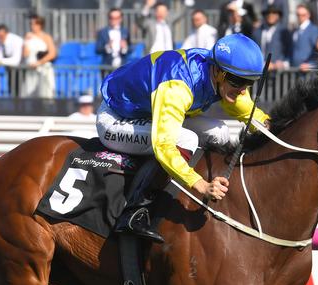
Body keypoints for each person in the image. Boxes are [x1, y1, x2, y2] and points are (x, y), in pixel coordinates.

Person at [97, 34, 270, 242]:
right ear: (217, 71)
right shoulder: (178, 86)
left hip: (151, 112)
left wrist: (275, 128)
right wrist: (201, 185)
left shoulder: (227, 77)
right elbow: (163, 145)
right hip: (116, 119)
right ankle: (135, 212)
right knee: (186, 139)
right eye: (238, 81)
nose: (243, 89)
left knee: (220, 132)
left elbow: (251, 115)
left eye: (249, 82)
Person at [21, 15, 57, 98]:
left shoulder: (46, 37)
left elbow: (52, 53)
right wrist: (26, 41)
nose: (32, 26)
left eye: (35, 24)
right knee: (28, 94)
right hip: (31, 70)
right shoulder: (28, 37)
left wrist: (39, 63)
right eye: (31, 24)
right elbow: (25, 54)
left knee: (45, 94)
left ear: (40, 25)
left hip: (43, 69)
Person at [95, 8, 131, 77]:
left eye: (117, 18)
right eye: (112, 18)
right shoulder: (103, 32)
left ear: (121, 19)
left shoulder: (125, 31)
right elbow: (97, 49)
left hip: (122, 66)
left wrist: (125, 48)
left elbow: (130, 48)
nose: (114, 20)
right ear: (109, 19)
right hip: (107, 67)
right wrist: (107, 47)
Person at [254, 4, 292, 69]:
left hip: (278, 73)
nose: (270, 15)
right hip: (259, 71)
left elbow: (290, 52)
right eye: (268, 13)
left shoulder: (284, 32)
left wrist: (282, 63)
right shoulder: (258, 31)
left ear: (278, 16)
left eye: (274, 13)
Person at [0, 24, 24, 96]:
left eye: (1, 36)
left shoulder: (16, 41)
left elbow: (16, 61)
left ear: (7, 34)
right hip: (11, 71)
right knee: (12, 91)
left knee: (21, 93)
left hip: (22, 71)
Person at [291, 4, 318, 70]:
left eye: (303, 15)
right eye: (298, 15)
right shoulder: (295, 30)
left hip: (308, 72)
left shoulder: (314, 30)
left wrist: (311, 64)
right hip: (295, 70)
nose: (300, 17)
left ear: (308, 15)